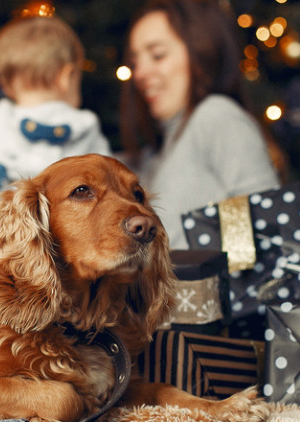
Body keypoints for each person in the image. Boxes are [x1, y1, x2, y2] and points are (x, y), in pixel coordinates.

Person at [120, 0, 279, 249]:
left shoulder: (216, 117)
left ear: (201, 51)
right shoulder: (154, 156)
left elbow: (268, 233)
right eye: (135, 62)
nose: (140, 73)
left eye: (157, 55)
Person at [0, 15, 110, 202]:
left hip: (12, 218)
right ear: (66, 77)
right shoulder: (85, 124)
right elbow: (108, 176)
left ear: (5, 85)